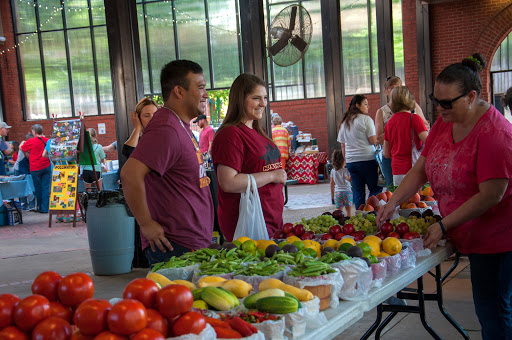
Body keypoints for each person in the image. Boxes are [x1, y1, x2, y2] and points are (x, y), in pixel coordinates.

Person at [377, 53, 512, 340]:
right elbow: (420, 169)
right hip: (468, 233)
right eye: (434, 99)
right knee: (489, 308)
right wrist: (393, 202)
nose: (438, 108)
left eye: (446, 102)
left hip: (498, 239)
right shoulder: (444, 123)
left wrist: (444, 224)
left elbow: (491, 195)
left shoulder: (495, 134)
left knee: (494, 311)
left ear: (471, 96)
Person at [121, 60, 214, 266]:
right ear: (179, 91)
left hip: (188, 244)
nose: (205, 94)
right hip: (174, 247)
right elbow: (130, 174)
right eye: (200, 87)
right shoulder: (166, 128)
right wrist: (146, 224)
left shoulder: (179, 125)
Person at [211, 73, 287, 242]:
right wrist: (273, 175)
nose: (263, 103)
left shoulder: (258, 131)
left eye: (265, 97)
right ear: (240, 99)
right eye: (256, 98)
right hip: (249, 222)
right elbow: (228, 182)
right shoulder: (230, 134)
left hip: (270, 218)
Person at [375, 76, 429, 186]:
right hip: (414, 166)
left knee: (398, 198)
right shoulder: (414, 118)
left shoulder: (390, 123)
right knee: (418, 199)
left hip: (397, 169)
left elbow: (386, 153)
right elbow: (429, 142)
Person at [337, 94, 381, 208]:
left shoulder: (345, 121)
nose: (368, 107)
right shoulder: (366, 120)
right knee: (375, 189)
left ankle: (360, 215)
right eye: (365, 104)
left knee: (358, 191)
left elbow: (343, 145)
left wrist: (346, 163)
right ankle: (372, 212)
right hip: (367, 160)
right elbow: (372, 140)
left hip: (352, 162)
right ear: (357, 105)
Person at [21, 124, 51, 213]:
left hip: (35, 167)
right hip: (46, 166)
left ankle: (39, 207)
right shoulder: (48, 140)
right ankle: (45, 208)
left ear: (34, 132)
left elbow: (22, 148)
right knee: (45, 187)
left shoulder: (31, 141)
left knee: (37, 188)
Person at [330, 149, 352, 217]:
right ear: (343, 161)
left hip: (338, 193)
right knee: (348, 211)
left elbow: (331, 183)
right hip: (347, 192)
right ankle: (348, 222)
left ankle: (339, 223)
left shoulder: (333, 171)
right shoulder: (345, 170)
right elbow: (349, 179)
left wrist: (332, 195)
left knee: (338, 212)